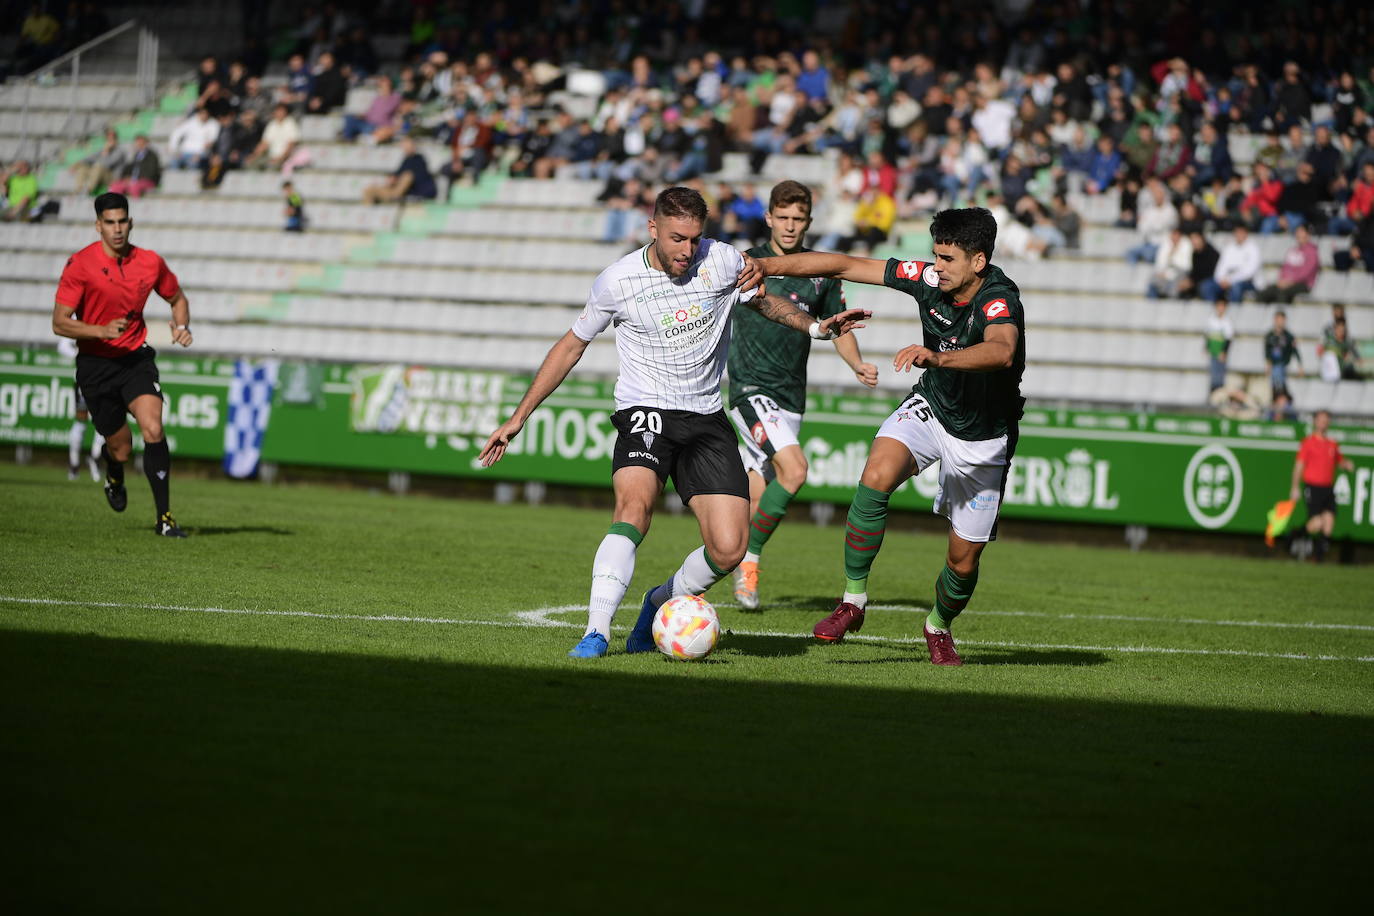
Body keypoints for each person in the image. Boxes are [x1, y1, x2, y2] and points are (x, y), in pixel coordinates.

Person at [478, 186, 869, 658]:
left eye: (694, 239)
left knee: (729, 548)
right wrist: (519, 417)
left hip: (705, 416)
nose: (687, 250)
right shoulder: (617, 280)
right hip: (646, 412)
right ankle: (596, 631)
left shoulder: (722, 260)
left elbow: (763, 300)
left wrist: (814, 327)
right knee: (634, 509)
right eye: (677, 238)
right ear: (653, 228)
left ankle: (657, 603)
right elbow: (571, 346)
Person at [745, 207, 1025, 666]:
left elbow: (1002, 350)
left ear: (978, 261)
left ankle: (937, 626)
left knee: (963, 562)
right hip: (932, 407)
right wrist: (765, 265)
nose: (937, 267)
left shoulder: (998, 298)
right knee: (876, 474)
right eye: (935, 256)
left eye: (948, 259)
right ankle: (852, 602)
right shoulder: (929, 279)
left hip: (982, 436)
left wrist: (939, 358)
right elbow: (843, 265)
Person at [726, 181, 879, 610]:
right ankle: (749, 563)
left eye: (799, 219)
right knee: (794, 471)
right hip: (750, 389)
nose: (790, 226)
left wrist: (856, 364)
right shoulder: (747, 264)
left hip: (791, 398)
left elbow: (837, 326)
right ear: (769, 218)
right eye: (783, 217)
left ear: (808, 221)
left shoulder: (820, 271)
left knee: (757, 498)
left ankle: (710, 571)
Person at [50, 192, 193, 537]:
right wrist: (99, 330)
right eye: (110, 222)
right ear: (98, 225)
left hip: (135, 359)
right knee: (122, 448)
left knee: (153, 429)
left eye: (122, 222)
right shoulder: (80, 264)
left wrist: (182, 326)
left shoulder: (149, 262)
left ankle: (165, 519)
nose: (117, 229)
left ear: (131, 223)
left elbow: (177, 298)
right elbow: (59, 322)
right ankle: (113, 471)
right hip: (95, 365)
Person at [1290, 410, 1354, 563]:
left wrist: (1347, 464)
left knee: (1329, 523)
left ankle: (1318, 559)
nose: (1323, 423)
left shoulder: (1332, 444)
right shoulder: (1308, 442)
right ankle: (1293, 536)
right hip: (1313, 487)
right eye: (1320, 420)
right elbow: (1299, 465)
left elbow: (1339, 460)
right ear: (1315, 422)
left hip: (1328, 489)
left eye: (1326, 420)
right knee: (1316, 523)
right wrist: (1295, 487)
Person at [56, 336, 105, 481]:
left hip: (103, 381)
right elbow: (62, 345)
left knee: (103, 423)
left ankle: (95, 458)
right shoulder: (82, 325)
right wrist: (81, 355)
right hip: (83, 380)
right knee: (81, 422)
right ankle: (74, 463)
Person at [362, 137, 436, 204]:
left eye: (408, 145)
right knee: (369, 190)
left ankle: (393, 197)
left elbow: (418, 177)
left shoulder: (420, 159)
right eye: (404, 146)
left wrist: (399, 179)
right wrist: (392, 179)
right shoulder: (405, 160)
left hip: (413, 191)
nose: (406, 148)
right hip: (395, 189)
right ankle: (368, 211)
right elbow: (397, 174)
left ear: (413, 146)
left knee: (407, 176)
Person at [1257, 224, 1319, 304]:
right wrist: (1282, 280)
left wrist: (1290, 281)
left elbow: (1306, 272)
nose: (1298, 234)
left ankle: (1281, 312)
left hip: (1303, 284)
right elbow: (1285, 268)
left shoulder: (1312, 252)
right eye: (1297, 232)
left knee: (1282, 293)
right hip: (1287, 282)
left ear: (1308, 235)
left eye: (1301, 232)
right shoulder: (1292, 250)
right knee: (1264, 293)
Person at [1200, 224, 1260, 303]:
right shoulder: (1229, 248)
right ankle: (1216, 309)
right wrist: (1221, 280)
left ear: (1246, 233)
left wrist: (1230, 280)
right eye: (1237, 233)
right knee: (1206, 286)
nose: (1239, 235)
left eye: (1241, 233)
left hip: (1247, 282)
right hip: (1225, 281)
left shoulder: (1253, 248)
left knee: (1236, 288)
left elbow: (1249, 273)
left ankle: (1234, 310)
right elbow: (1220, 267)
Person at [1263, 310, 1303, 399]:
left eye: (1282, 320)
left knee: (1278, 373)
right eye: (1278, 319)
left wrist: (1300, 365)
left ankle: (1280, 396)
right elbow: (1267, 351)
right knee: (1274, 375)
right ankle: (1278, 396)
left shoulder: (1289, 336)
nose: (1280, 322)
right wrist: (1268, 363)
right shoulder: (1269, 336)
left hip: (1283, 364)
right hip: (1274, 364)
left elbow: (1295, 350)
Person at [1204, 300, 1234, 392]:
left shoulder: (1227, 321)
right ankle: (1213, 392)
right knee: (1213, 372)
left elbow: (1228, 338)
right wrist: (1206, 347)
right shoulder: (1211, 319)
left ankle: (1219, 392)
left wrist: (1224, 351)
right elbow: (1208, 335)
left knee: (1220, 373)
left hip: (1221, 351)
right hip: (1213, 349)